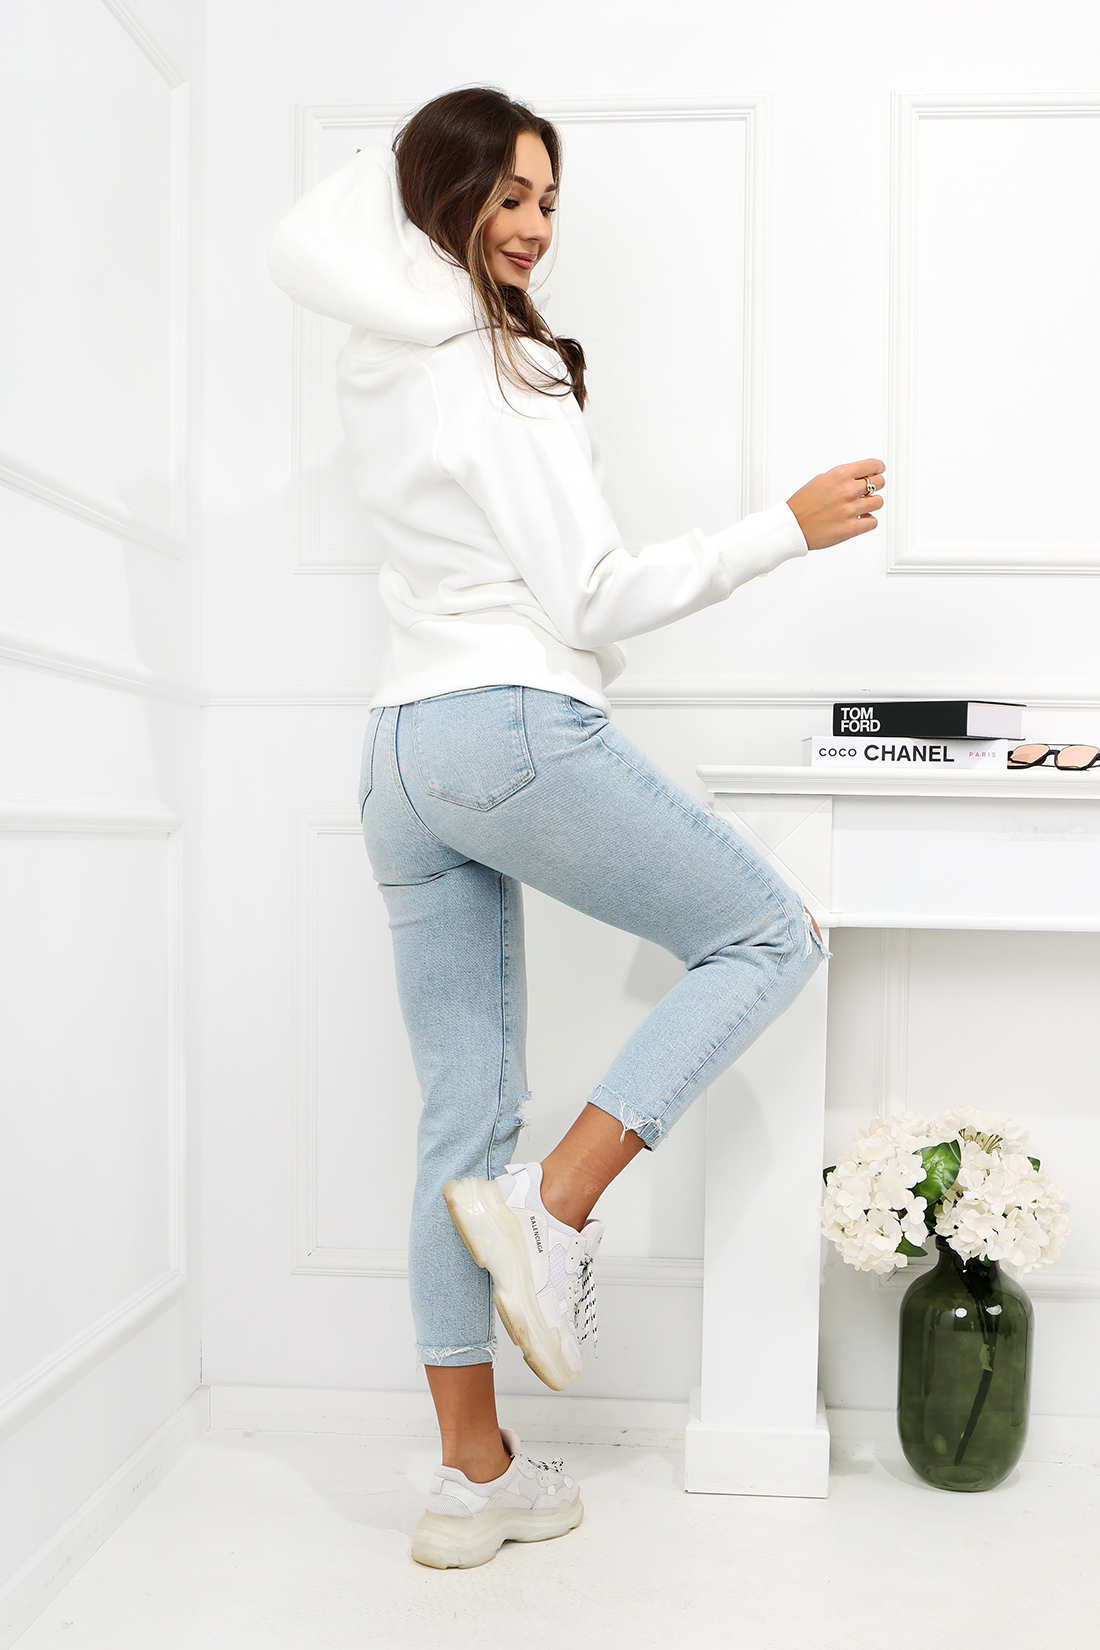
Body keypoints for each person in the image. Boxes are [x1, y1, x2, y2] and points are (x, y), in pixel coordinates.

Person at [268, 85, 884, 1571]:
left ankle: (471, 1479)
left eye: (550, 199)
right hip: (506, 723)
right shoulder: (505, 369)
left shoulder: (375, 357)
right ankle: (559, 1205)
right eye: (508, 193)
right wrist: (782, 527)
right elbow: (592, 595)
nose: (537, 225)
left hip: (398, 754)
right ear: (445, 196)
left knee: (454, 1128)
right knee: (768, 931)